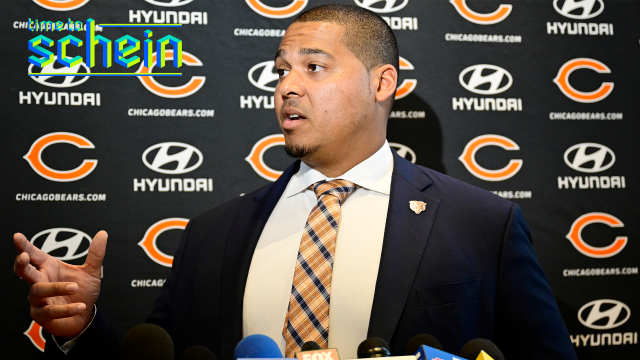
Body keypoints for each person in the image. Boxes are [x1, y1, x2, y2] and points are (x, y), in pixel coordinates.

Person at [12, 4, 577, 360]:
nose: (286, 86)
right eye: (281, 69)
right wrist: (83, 327)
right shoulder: (213, 233)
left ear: (384, 82)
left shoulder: (483, 223)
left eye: (314, 66)